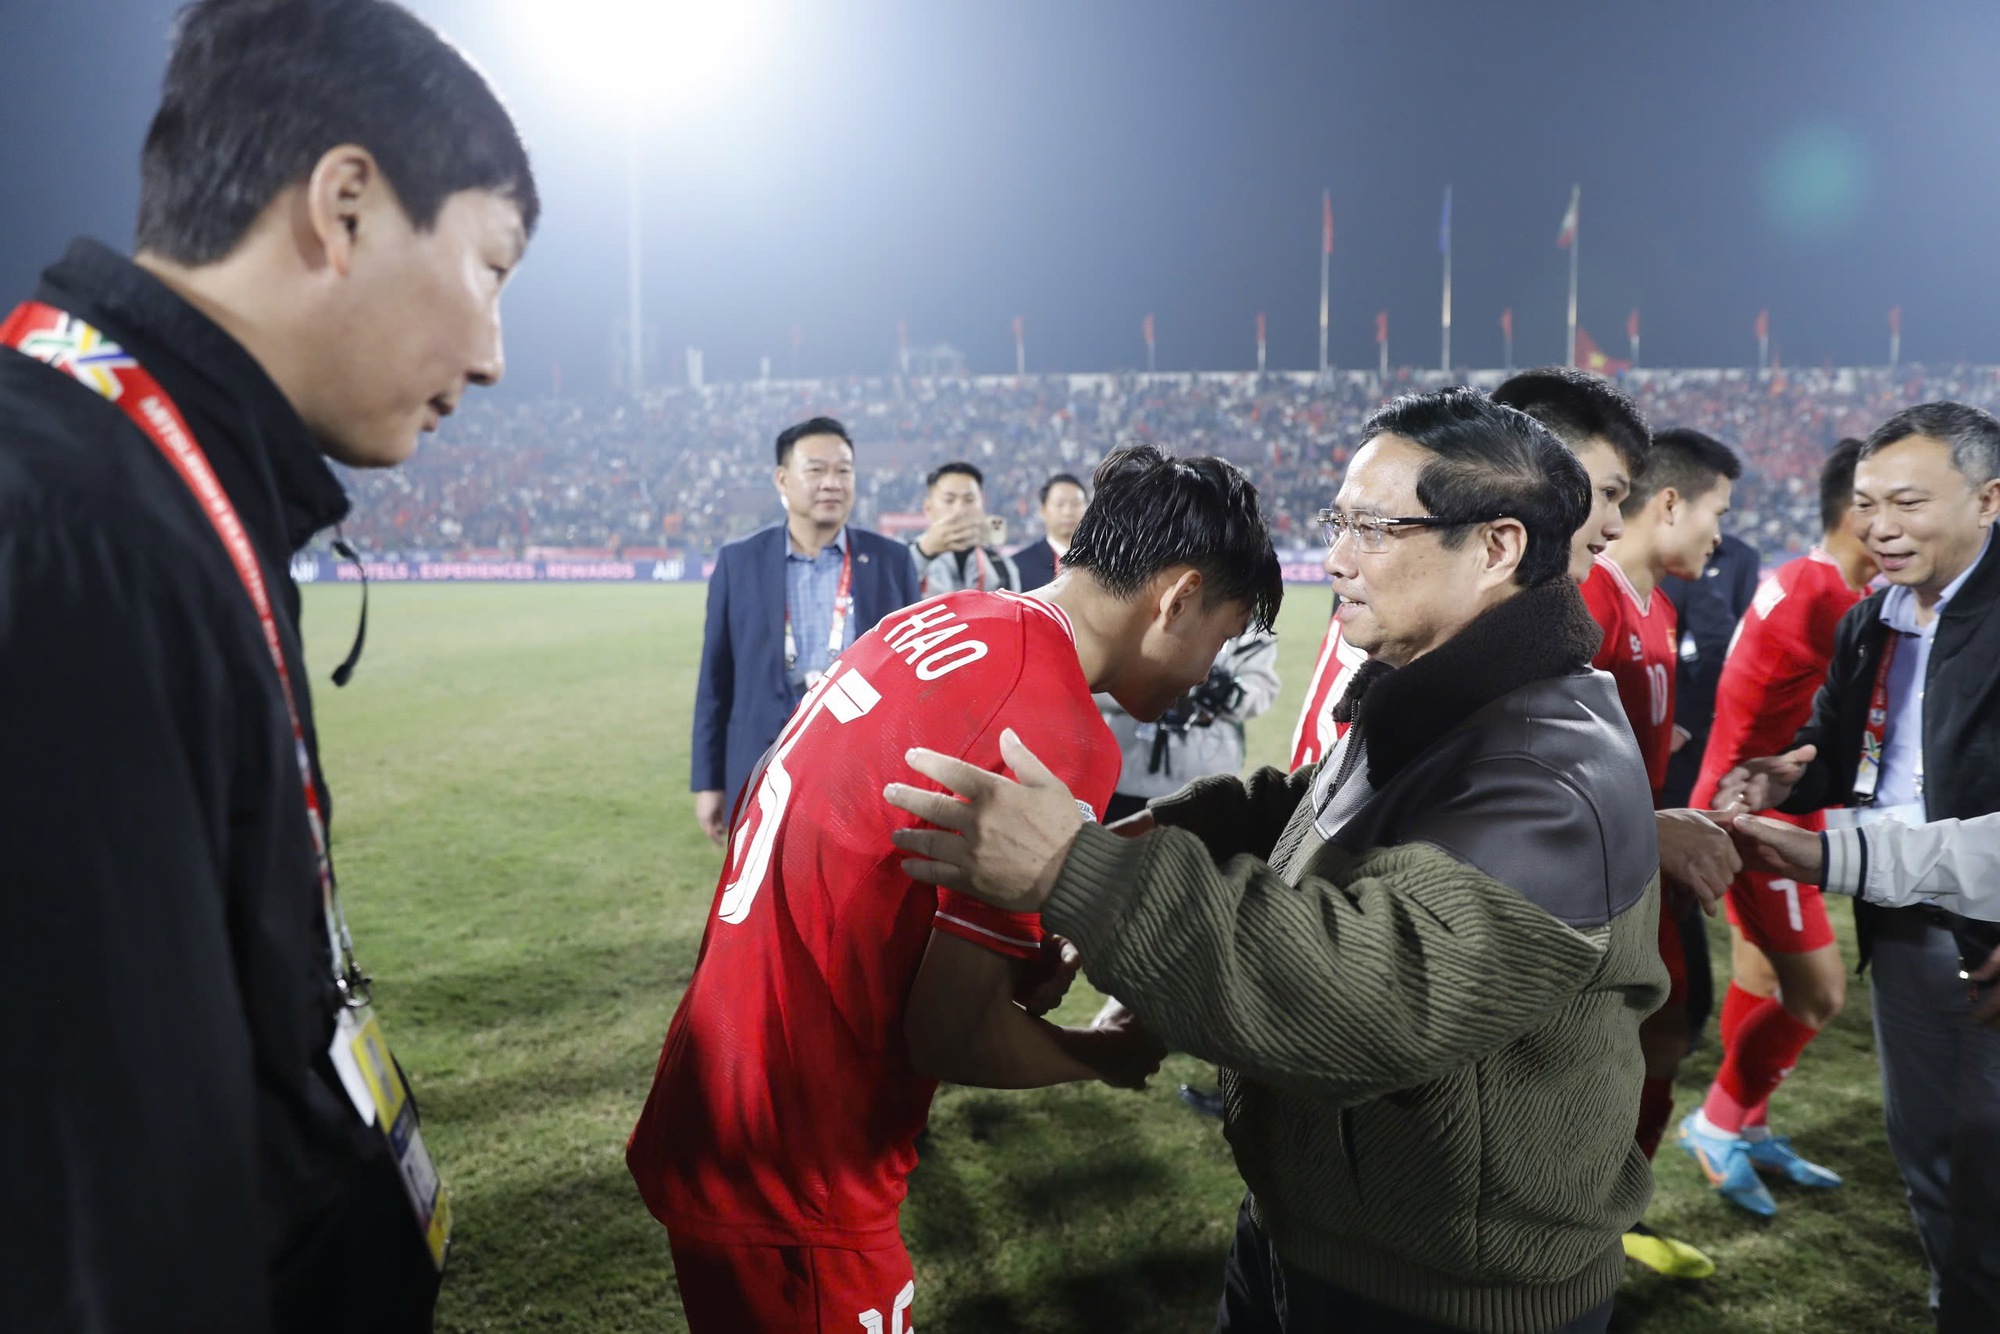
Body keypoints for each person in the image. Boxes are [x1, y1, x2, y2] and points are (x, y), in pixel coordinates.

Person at [888, 388, 1666, 1334]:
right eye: (1338, 522)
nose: (1334, 558)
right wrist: (1133, 843)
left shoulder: (1548, 772)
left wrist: (1077, 873)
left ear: (1497, 548)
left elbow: (1360, 1003)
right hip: (1307, 1242)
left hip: (1444, 1302)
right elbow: (1295, 811)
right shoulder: (1443, 694)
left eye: (1373, 529)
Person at [0, 2, 536, 1329]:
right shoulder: (68, 533)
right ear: (343, 205)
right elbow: (98, 1244)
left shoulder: (157, 482)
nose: (491, 353)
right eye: (490, 268)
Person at [627, 444, 1283, 1334]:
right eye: (1224, 631)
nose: (1209, 668)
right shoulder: (1057, 727)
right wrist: (1106, 1055)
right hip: (802, 1163)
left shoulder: (941, 622)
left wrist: (1005, 963)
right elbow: (949, 1032)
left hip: (721, 1085)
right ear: (1176, 597)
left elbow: (868, 870)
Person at [1714, 402, 2000, 1330]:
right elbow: (1840, 751)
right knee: (1930, 1151)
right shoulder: (1872, 619)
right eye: (1868, 503)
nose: (1881, 525)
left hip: (1990, 932)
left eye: (1909, 502)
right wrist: (1786, 769)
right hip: (1906, 925)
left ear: (1989, 498)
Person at [1675, 441, 1876, 1217]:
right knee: (1819, 995)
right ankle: (1718, 1121)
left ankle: (1747, 1124)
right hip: (1758, 819)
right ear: (1859, 512)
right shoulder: (1834, 602)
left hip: (1755, 799)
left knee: (1762, 981)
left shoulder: (1800, 576)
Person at [1576, 424, 1739, 1273]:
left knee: (1666, 1036)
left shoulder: (1661, 604)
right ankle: (1579, 1224)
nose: (1721, 534)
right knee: (1608, 1052)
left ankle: (1611, 1217)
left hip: (1642, 862)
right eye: (1716, 510)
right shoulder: (1589, 601)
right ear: (1668, 503)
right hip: (1590, 878)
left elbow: (1628, 736)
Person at [690, 416, 919, 841]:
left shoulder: (891, 561)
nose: (832, 482)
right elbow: (714, 681)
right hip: (761, 764)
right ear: (783, 479)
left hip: (864, 771)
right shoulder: (738, 563)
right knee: (762, 898)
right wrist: (708, 781)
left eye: (843, 470)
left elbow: (913, 682)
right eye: (816, 469)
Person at [1100, 630, 1281, 825]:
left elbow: (1261, 690)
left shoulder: (1246, 623)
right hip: (1127, 774)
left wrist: (1228, 693)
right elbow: (1093, 684)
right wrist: (1146, 688)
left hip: (1204, 777)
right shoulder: (1137, 612)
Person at [907, 460, 1023, 594]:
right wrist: (924, 553)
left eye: (969, 500)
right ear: (928, 508)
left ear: (982, 505)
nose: (960, 510)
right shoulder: (901, 560)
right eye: (949, 500)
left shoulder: (1003, 567)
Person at [1012, 470, 1088, 590]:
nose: (1068, 512)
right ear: (1043, 510)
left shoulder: (1103, 562)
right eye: (1060, 504)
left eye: (1075, 504)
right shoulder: (1018, 566)